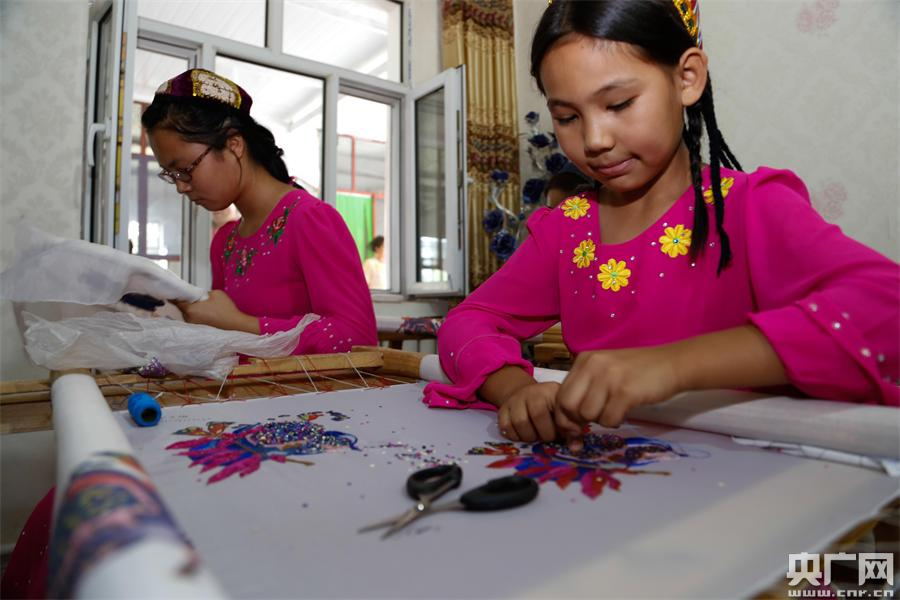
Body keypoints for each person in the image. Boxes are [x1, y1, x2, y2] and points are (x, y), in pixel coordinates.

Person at [423, 0, 899, 449]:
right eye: (567, 117)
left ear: (687, 78)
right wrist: (515, 389)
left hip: (748, 479)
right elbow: (468, 321)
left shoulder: (750, 206)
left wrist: (672, 367)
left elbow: (885, 309)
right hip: (610, 479)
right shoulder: (567, 228)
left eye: (619, 104)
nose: (594, 139)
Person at [141, 68, 377, 354]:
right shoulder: (226, 241)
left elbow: (357, 337)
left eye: (185, 169)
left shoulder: (309, 219)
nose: (181, 186)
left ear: (234, 145)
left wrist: (238, 323)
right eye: (171, 175)